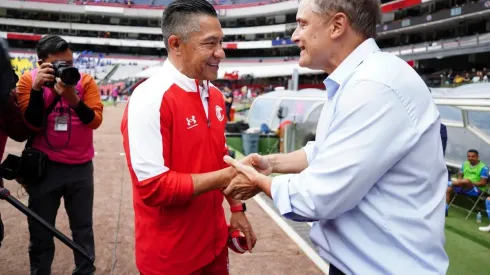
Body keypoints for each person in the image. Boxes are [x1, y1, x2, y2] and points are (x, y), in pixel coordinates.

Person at [222, 0, 449, 274]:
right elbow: (325, 151)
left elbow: (317, 197)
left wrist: (260, 183)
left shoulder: (373, 86)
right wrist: (271, 163)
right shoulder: (358, 79)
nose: (295, 35)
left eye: (302, 23)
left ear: (337, 26)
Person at [120, 1, 256, 274]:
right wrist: (230, 176)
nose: (221, 52)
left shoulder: (215, 95)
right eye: (210, 43)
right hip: (171, 258)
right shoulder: (150, 98)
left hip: (214, 245)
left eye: (221, 42)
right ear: (176, 44)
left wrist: (237, 208)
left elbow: (221, 156)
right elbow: (153, 187)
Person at [16, 35, 103, 275]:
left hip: (80, 168)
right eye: (58, 64)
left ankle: (84, 271)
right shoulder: (27, 81)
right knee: (40, 230)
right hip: (45, 168)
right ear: (42, 62)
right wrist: (36, 90)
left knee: (83, 229)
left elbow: (94, 121)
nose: (66, 68)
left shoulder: (84, 81)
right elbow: (31, 124)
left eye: (70, 62)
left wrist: (71, 97)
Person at [446, 149, 488, 216]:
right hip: (462, 185)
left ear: (477, 157)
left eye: (473, 156)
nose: (470, 158)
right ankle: (445, 209)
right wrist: (460, 182)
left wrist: (469, 182)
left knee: (467, 180)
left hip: (475, 189)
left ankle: (447, 183)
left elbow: (483, 183)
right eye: (468, 156)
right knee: (448, 189)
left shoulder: (483, 168)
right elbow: (460, 176)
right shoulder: (465, 164)